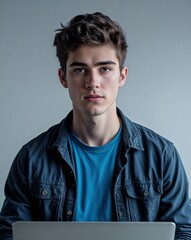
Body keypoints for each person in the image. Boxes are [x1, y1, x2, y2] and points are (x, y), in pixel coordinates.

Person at [0, 12, 191, 240]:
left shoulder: (162, 156)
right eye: (80, 70)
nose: (93, 82)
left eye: (105, 69)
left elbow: (182, 232)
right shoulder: (31, 158)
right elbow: (9, 234)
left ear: (122, 76)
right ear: (63, 78)